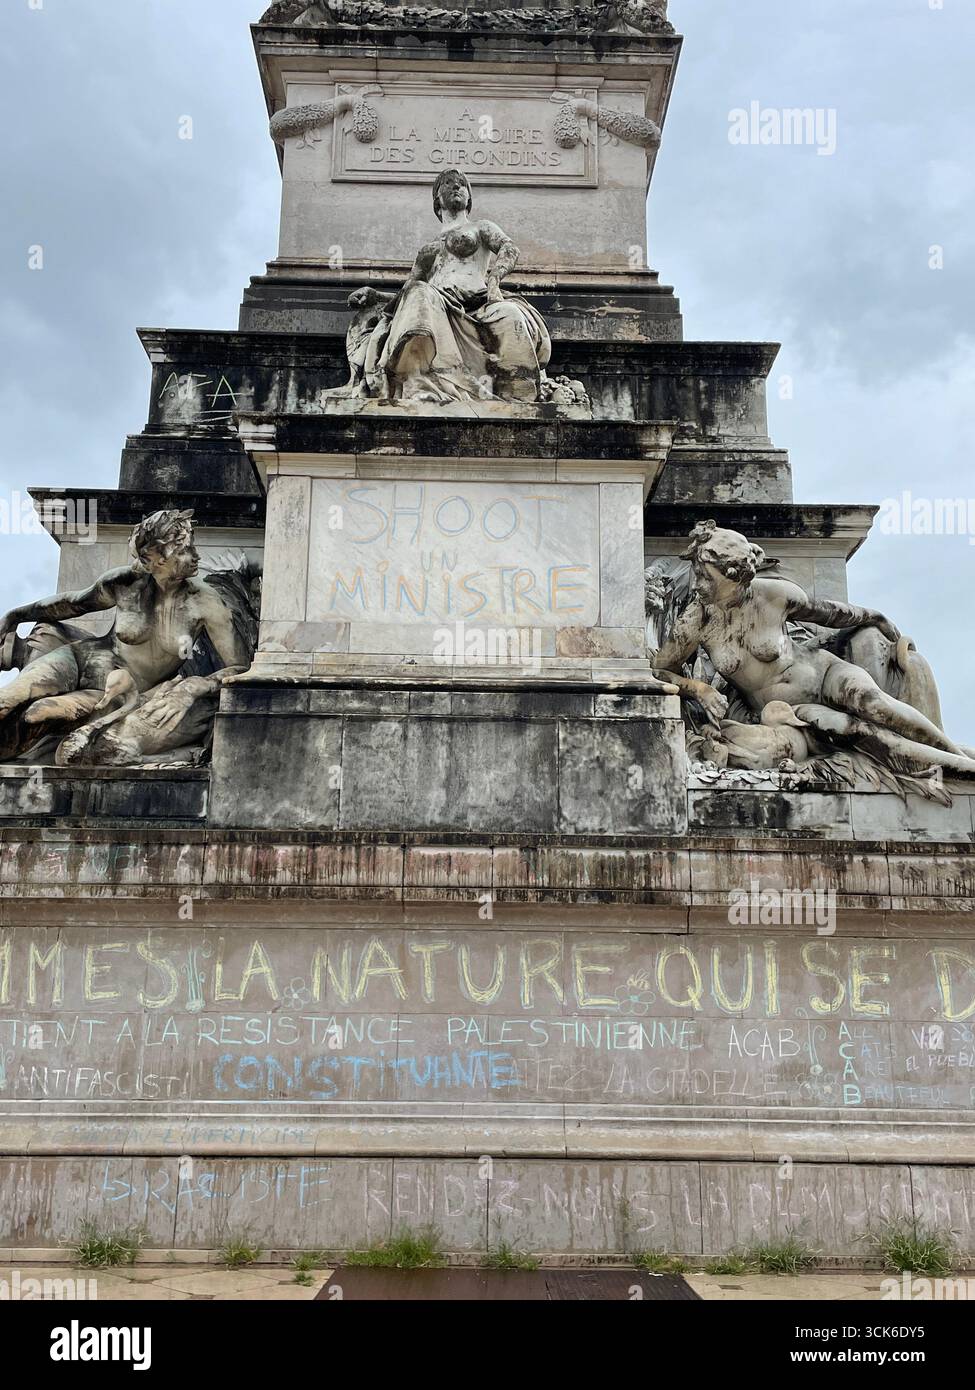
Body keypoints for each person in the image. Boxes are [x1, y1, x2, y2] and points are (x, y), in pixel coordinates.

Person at [0, 510, 252, 762]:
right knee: (9, 699)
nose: (196, 556)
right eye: (185, 550)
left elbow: (240, 667)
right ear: (157, 560)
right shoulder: (126, 582)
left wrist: (192, 687)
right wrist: (15, 615)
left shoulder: (205, 603)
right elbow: (72, 602)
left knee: (37, 716)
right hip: (76, 660)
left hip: (114, 693)